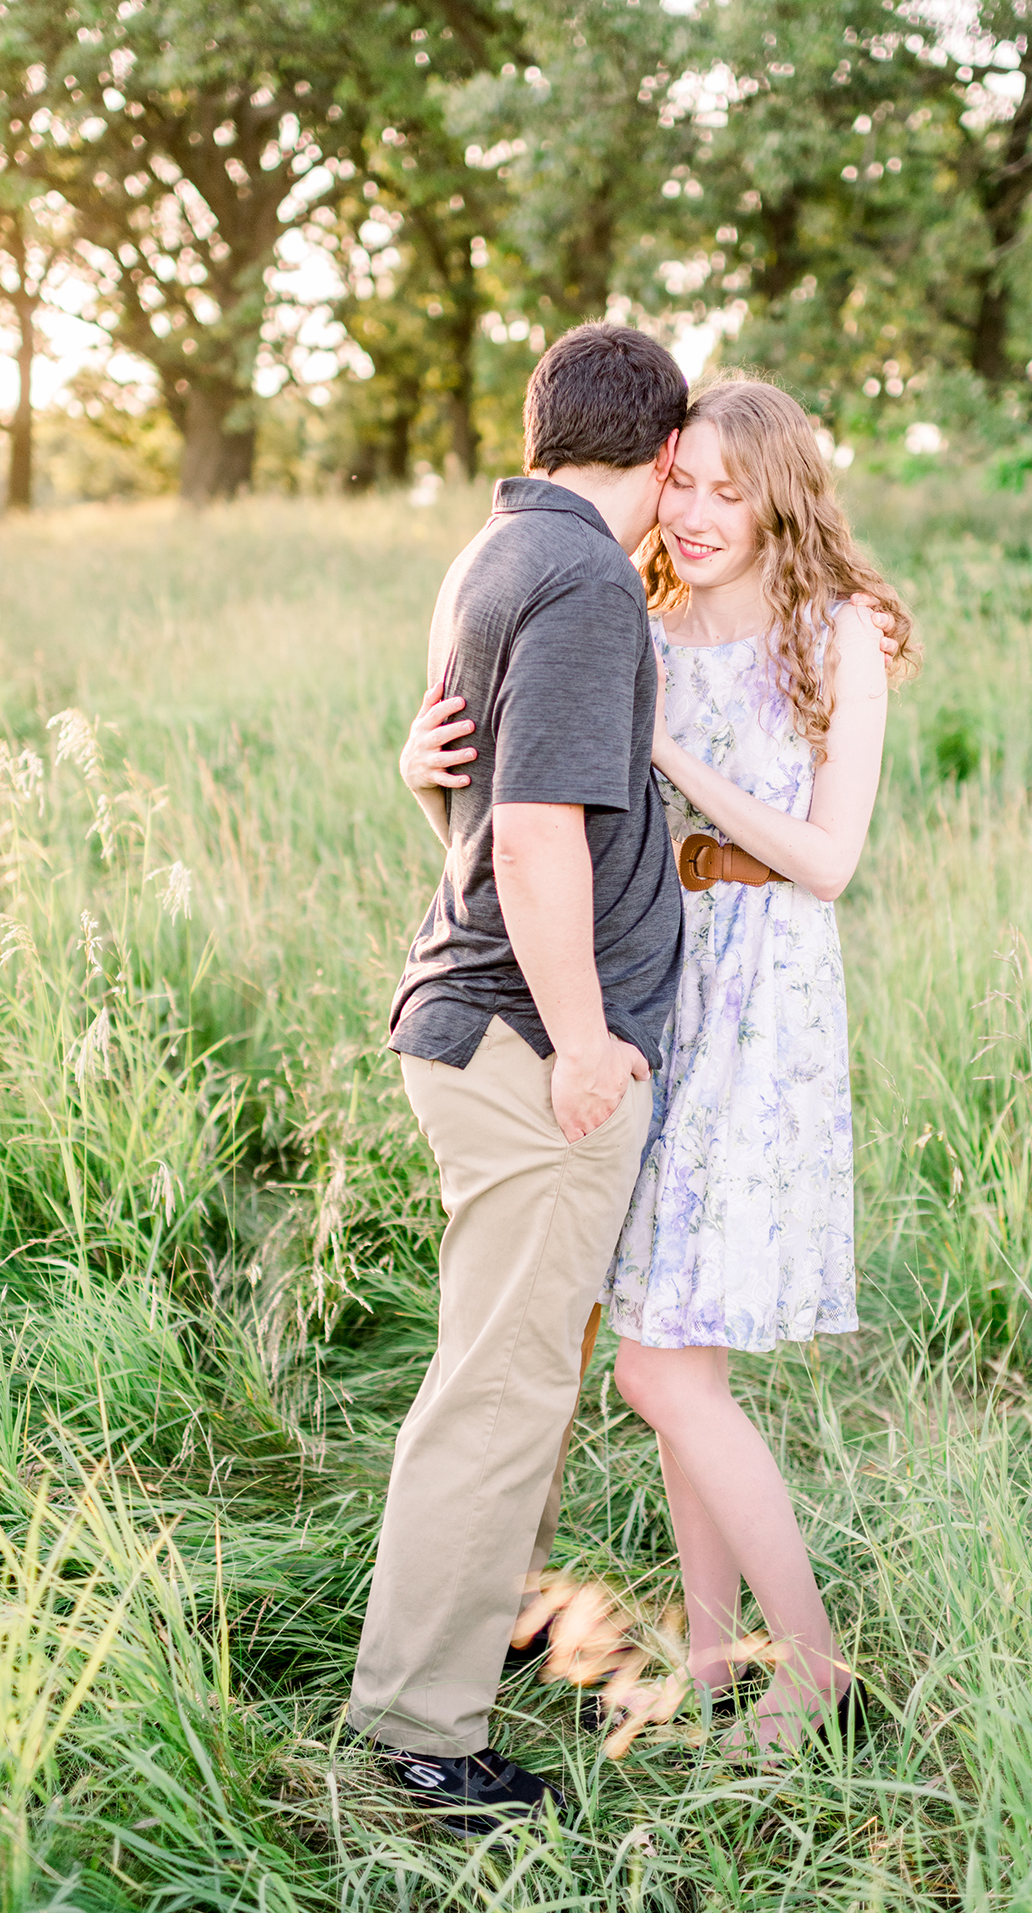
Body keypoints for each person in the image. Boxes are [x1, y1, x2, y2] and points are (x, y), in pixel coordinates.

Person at [405, 373, 916, 1760]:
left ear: (781, 496)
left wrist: (675, 754)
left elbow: (826, 861)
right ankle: (707, 1656)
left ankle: (808, 1670)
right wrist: (420, 768)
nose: (690, 513)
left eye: (724, 490)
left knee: (657, 1369)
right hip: (651, 978)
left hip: (759, 993)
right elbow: (535, 788)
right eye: (677, 481)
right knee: (672, 1353)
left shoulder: (837, 632)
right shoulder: (637, 616)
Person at [345, 323, 688, 1835]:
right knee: (496, 1392)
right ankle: (420, 1731)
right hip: (524, 1040)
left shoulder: (492, 552)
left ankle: (475, 1637)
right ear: (666, 452)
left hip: (477, 1022)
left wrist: (421, 782)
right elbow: (537, 826)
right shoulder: (590, 581)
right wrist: (587, 1038)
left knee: (518, 1382)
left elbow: (465, 788)